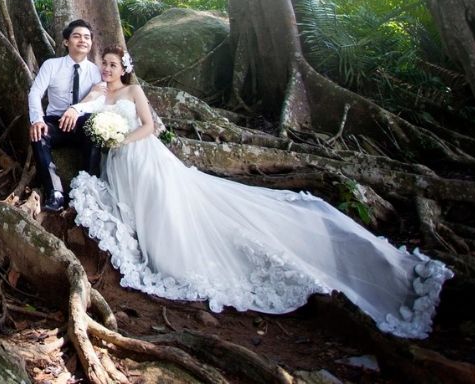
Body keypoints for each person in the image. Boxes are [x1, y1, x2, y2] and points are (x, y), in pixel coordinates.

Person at [65, 45, 453, 339]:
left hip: (143, 157)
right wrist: (80, 118)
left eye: (115, 64)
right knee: (134, 209)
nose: (109, 68)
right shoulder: (100, 91)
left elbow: (151, 127)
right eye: (106, 63)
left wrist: (124, 140)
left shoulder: (134, 93)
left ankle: (172, 255)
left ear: (125, 68)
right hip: (117, 164)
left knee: (162, 204)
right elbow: (84, 111)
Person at [29, 19, 101, 212]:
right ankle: (55, 192)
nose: (82, 40)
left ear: (91, 43)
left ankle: (87, 192)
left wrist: (77, 109)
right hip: (56, 123)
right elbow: (35, 93)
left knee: (95, 129)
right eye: (77, 36)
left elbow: (100, 99)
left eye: (87, 37)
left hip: (82, 122)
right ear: (66, 42)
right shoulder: (51, 65)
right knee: (38, 134)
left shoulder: (96, 71)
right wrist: (37, 119)